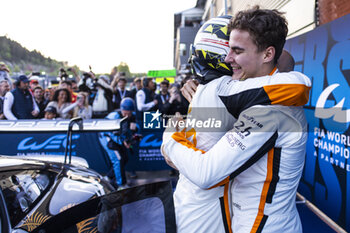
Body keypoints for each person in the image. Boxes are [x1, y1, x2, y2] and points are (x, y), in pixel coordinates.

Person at [162, 8, 310, 233]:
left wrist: (171, 137)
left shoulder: (270, 109)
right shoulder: (249, 95)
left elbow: (205, 173)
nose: (227, 59)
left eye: (236, 51)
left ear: (268, 54)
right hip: (246, 221)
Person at [103, 97, 139, 189]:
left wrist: (134, 133)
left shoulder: (133, 116)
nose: (127, 115)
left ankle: (108, 177)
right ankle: (121, 185)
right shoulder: (114, 116)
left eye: (129, 113)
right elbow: (110, 133)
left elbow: (135, 129)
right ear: (121, 109)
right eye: (125, 112)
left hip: (119, 138)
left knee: (125, 158)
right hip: (106, 137)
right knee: (118, 159)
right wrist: (123, 141)